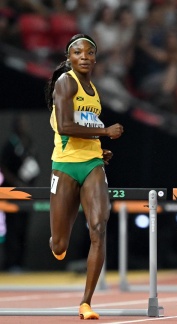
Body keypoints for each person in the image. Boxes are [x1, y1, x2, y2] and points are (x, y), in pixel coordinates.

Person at [44, 33, 124, 320]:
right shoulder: (66, 82)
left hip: (92, 163)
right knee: (59, 245)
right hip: (64, 165)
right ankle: (57, 243)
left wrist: (99, 148)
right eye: (79, 53)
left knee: (98, 228)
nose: (85, 57)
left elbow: (88, 123)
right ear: (69, 58)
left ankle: (86, 302)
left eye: (90, 53)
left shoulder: (93, 89)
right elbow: (65, 126)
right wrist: (104, 133)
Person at [0, 115, 41, 272]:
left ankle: (20, 263)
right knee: (12, 228)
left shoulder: (30, 143)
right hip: (11, 192)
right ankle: (10, 263)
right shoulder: (10, 145)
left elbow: (35, 164)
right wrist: (16, 182)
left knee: (23, 228)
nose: (25, 125)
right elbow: (3, 167)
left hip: (27, 192)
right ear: (16, 125)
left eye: (26, 123)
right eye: (21, 123)